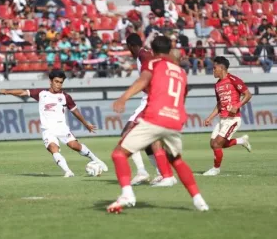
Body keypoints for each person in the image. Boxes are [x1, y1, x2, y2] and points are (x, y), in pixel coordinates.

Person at [107, 36, 209, 214]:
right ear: (169, 50)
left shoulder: (152, 62)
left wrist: (123, 98)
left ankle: (128, 194)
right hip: (175, 119)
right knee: (176, 160)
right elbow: (182, 95)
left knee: (118, 154)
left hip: (155, 116)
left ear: (152, 50)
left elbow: (143, 80)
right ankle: (198, 199)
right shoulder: (181, 72)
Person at [0, 69, 108, 177]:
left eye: (61, 82)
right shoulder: (41, 93)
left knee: (75, 146)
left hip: (61, 128)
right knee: (53, 148)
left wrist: (85, 123)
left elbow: (75, 111)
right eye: (56, 81)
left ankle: (96, 159)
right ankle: (68, 171)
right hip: (47, 129)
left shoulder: (65, 97)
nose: (58, 85)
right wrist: (7, 92)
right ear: (50, 81)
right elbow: (23, 92)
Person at [124, 33, 177, 187]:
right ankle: (162, 173)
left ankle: (142, 172)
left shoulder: (143, 55)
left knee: (128, 134)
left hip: (150, 100)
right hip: (150, 99)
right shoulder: (144, 54)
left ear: (130, 46)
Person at [202, 56, 252, 176]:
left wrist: (237, 105)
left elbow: (248, 94)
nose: (213, 70)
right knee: (213, 143)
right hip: (222, 119)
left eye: (214, 68)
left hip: (233, 119)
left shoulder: (233, 79)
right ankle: (241, 140)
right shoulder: (217, 85)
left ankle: (216, 169)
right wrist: (210, 117)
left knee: (217, 144)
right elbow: (219, 104)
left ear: (221, 68)